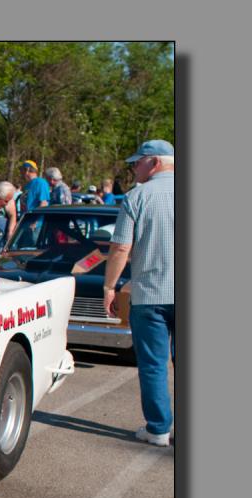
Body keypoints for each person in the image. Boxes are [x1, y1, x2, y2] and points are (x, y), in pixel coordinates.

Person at [103, 140, 175, 446]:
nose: (133, 169)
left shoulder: (137, 196)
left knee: (153, 364)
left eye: (137, 163)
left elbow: (121, 247)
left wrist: (109, 287)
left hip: (150, 294)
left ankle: (158, 428)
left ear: (154, 163)